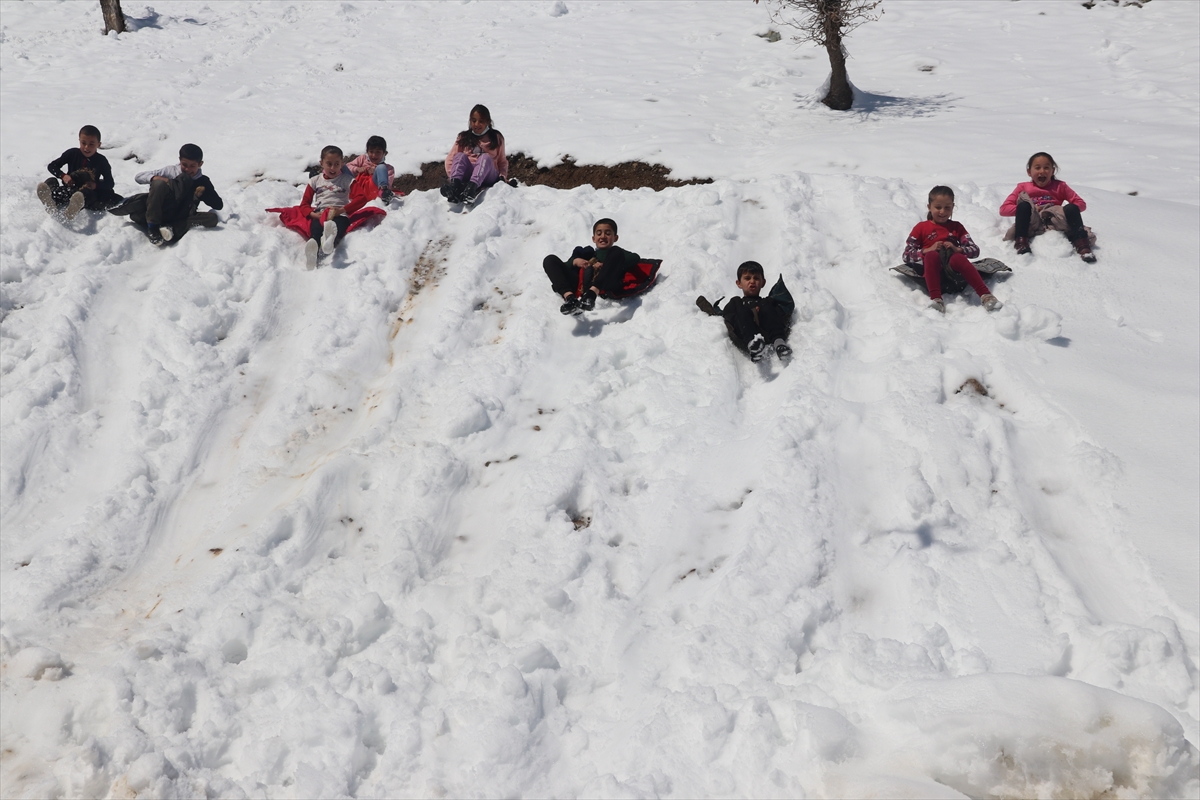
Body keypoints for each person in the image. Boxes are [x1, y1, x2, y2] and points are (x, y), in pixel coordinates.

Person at [266, 145, 386, 269]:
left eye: (336, 164)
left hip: (339, 213)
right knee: (316, 229)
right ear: (321, 163)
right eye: (329, 164)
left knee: (339, 225)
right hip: (320, 212)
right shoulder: (315, 181)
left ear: (342, 164)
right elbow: (304, 204)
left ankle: (329, 238)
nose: (333, 168)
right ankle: (314, 249)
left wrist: (343, 210)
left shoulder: (347, 180)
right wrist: (312, 214)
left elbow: (362, 198)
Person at [903, 186, 1002, 313]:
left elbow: (975, 250)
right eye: (938, 207)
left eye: (947, 207)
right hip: (933, 272)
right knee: (932, 256)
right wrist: (927, 250)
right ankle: (936, 300)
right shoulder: (921, 228)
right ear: (929, 207)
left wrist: (958, 249)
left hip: (955, 273)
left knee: (958, 258)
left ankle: (986, 296)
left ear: (953, 207)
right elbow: (906, 255)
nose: (943, 212)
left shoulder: (957, 227)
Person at [109, 143, 223, 245]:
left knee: (212, 218)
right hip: (160, 208)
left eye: (192, 166)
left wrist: (202, 194)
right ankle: (153, 227)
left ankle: (170, 230)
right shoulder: (171, 171)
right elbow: (138, 177)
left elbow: (218, 205)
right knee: (159, 184)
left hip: (181, 214)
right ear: (179, 160)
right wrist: (156, 178)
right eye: (184, 165)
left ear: (200, 164)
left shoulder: (203, 181)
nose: (188, 169)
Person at [543, 218, 655, 315]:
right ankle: (570, 298)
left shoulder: (616, 253)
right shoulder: (588, 254)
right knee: (549, 260)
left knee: (615, 251)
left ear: (615, 238)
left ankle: (592, 294)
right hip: (581, 284)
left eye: (608, 233)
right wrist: (575, 261)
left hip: (607, 283)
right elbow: (562, 268)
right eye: (599, 233)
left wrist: (607, 265)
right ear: (594, 238)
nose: (603, 236)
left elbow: (634, 258)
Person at [1000, 151, 1095, 262]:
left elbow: (1081, 204)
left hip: (1054, 220)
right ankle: (1021, 242)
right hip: (1032, 221)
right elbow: (1004, 209)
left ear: (1052, 171)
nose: (1042, 171)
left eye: (1046, 168)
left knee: (1071, 207)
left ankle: (1082, 245)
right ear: (1029, 172)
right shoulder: (1023, 187)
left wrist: (1064, 211)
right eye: (1037, 167)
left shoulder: (1060, 186)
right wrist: (1031, 209)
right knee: (1024, 205)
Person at [37, 125, 122, 218]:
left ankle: (73, 208)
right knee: (53, 182)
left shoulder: (101, 161)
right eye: (83, 143)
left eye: (91, 144)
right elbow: (52, 166)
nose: (86, 147)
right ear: (79, 141)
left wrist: (96, 185)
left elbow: (110, 183)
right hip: (69, 188)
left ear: (98, 144)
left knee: (85, 195)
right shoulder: (72, 153)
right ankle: (50, 201)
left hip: (87, 192)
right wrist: (63, 176)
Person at [720, 261, 794, 362]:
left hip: (768, 333)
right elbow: (729, 317)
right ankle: (754, 345)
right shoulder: (736, 303)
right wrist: (751, 312)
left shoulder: (767, 302)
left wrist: (760, 311)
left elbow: (778, 316)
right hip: (745, 335)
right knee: (741, 309)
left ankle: (779, 343)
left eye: (756, 278)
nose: (752, 281)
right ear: (739, 283)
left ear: (763, 282)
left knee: (767, 304)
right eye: (747, 278)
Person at [441, 104, 508, 206]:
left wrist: (502, 177)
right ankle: (455, 187)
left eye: (481, 121)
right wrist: (452, 177)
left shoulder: (496, 137)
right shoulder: (463, 137)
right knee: (460, 156)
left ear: (488, 122)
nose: (477, 124)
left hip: (489, 175)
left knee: (484, 158)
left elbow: (502, 161)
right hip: (469, 173)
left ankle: (472, 189)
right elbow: (451, 159)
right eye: (473, 121)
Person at [345, 135, 396, 203]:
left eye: (378, 152)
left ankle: (383, 192)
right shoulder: (362, 159)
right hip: (357, 188)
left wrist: (376, 173)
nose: (374, 155)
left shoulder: (388, 168)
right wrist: (357, 169)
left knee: (381, 167)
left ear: (385, 153)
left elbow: (388, 183)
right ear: (367, 152)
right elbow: (348, 167)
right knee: (342, 166)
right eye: (371, 152)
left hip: (373, 190)